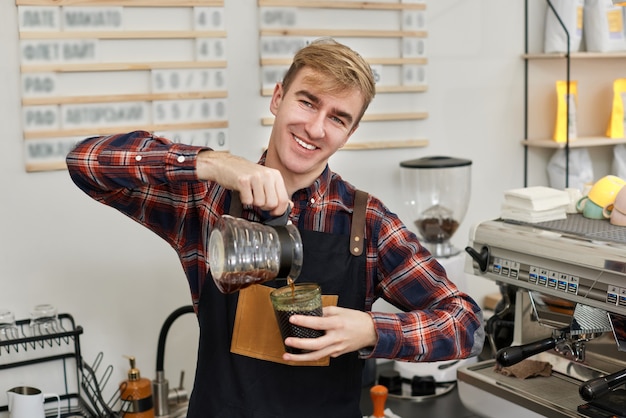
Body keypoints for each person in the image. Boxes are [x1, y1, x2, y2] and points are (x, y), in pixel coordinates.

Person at [66, 38, 484, 418]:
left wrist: (372, 329)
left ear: (350, 132)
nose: (316, 128)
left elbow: (467, 324)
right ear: (278, 97)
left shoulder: (367, 223)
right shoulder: (205, 199)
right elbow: (85, 163)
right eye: (307, 102)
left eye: (338, 118)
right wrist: (210, 162)